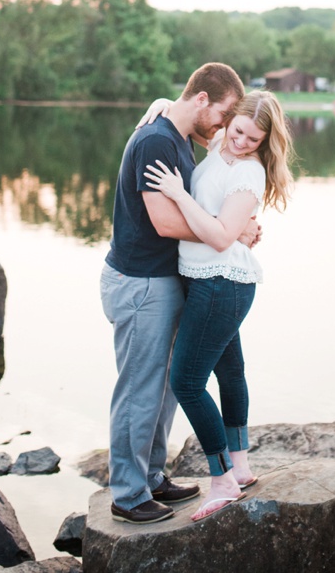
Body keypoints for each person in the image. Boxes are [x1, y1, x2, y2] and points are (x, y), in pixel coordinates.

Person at [101, 62, 248, 525]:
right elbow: (165, 222)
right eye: (223, 114)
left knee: (164, 387)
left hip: (164, 279)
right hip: (141, 282)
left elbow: (226, 157)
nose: (224, 126)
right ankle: (127, 495)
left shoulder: (180, 134)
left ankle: (151, 476)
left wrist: (237, 224)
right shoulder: (156, 141)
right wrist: (228, 233)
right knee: (140, 389)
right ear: (202, 99)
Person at [144, 89, 295, 520]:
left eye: (254, 139)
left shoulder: (248, 175)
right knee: (230, 372)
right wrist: (160, 105)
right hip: (207, 280)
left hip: (221, 283)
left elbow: (220, 236)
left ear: (266, 142)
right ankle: (241, 465)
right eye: (239, 130)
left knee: (187, 383)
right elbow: (184, 109)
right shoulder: (217, 146)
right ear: (230, 121)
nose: (242, 142)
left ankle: (223, 479)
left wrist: (177, 191)